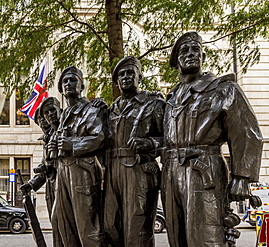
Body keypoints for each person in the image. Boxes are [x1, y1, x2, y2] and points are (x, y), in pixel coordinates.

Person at [162, 31, 263, 246]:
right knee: (176, 237)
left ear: (203, 57)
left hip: (204, 170)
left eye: (195, 50)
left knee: (206, 238)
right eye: (184, 51)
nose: (191, 54)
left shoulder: (223, 89)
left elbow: (247, 133)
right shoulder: (170, 99)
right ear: (176, 61)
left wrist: (241, 178)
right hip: (170, 172)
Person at [103, 56, 165, 247]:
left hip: (139, 170)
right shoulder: (111, 109)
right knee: (109, 225)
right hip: (114, 170)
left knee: (137, 229)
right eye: (121, 74)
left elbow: (171, 140)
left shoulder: (153, 104)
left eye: (131, 73)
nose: (126, 77)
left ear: (140, 77)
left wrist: (148, 143)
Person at [49, 66, 109, 247]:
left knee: (87, 227)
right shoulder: (64, 114)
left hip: (82, 172)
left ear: (82, 86)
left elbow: (100, 138)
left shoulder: (91, 110)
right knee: (65, 225)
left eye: (73, 80)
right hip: (63, 173)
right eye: (65, 81)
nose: (68, 84)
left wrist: (72, 145)